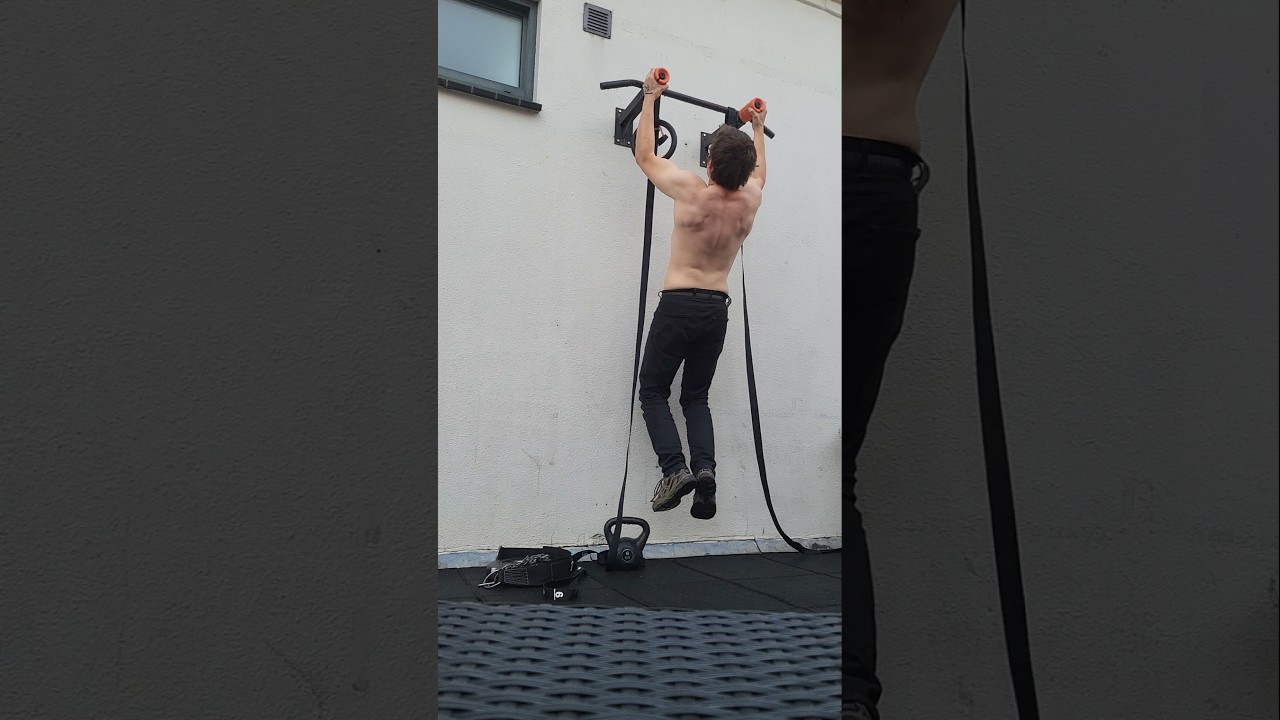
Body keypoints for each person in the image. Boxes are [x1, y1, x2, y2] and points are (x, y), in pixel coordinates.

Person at [842, 2, 960, 719]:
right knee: (834, 473)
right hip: (885, 185)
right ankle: (848, 697)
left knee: (827, 474)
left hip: (834, 169)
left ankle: (842, 691)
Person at [631, 68, 767, 521]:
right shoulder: (750, 200)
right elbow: (760, 173)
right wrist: (756, 128)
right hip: (716, 311)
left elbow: (645, 155)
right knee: (696, 397)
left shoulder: (692, 192)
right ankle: (705, 471)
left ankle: (675, 470)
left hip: (678, 305)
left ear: (709, 164)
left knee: (653, 390)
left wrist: (651, 96)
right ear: (745, 171)